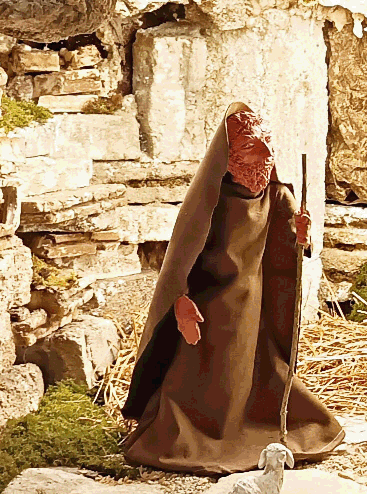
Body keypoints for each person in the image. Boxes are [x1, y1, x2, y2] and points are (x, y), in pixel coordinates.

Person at [122, 104, 345, 474]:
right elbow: (181, 259)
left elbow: (291, 246)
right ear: (230, 156)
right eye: (253, 148)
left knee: (255, 370)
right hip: (211, 304)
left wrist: (302, 237)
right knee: (205, 374)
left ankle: (254, 423)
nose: (266, 155)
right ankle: (200, 432)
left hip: (254, 304)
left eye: (268, 145)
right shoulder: (210, 201)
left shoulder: (276, 197)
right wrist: (181, 301)